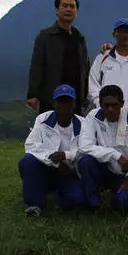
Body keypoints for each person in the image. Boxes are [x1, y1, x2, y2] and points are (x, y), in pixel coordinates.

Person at [18, 84, 85, 216]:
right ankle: (34, 204)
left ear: (74, 103)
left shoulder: (83, 124)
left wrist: (66, 155)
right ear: (54, 103)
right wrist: (56, 163)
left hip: (70, 173)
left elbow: (86, 150)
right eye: (60, 101)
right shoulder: (43, 119)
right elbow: (31, 145)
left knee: (77, 199)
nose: (64, 106)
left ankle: (58, 197)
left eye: (68, 102)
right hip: (46, 169)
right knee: (27, 161)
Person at [78, 85, 128, 209]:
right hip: (102, 168)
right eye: (106, 105)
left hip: (123, 173)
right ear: (100, 104)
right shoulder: (93, 116)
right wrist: (115, 155)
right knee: (85, 161)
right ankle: (93, 204)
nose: (110, 109)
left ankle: (116, 198)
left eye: (114, 105)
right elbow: (84, 146)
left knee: (124, 203)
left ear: (122, 103)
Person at [27, 0, 90, 116]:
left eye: (72, 7)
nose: (68, 9)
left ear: (76, 11)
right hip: (51, 98)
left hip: (75, 99)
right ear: (57, 10)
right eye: (65, 6)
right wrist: (32, 94)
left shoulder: (80, 38)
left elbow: (85, 69)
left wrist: (85, 95)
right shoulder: (45, 36)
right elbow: (37, 65)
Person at [88, 18, 128, 111]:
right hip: (105, 110)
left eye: (127, 32)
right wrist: (98, 103)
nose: (124, 35)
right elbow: (93, 82)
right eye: (120, 31)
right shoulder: (103, 57)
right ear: (114, 34)